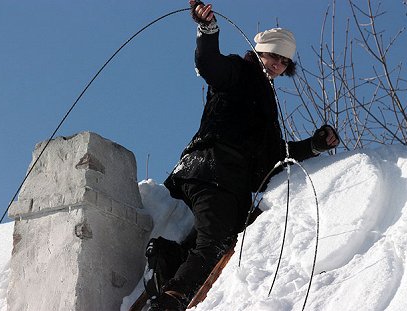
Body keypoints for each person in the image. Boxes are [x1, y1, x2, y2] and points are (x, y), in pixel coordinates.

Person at [145, 1, 340, 310]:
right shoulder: (239, 71)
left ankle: (167, 258)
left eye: (284, 60)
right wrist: (208, 29)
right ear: (260, 51)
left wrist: (314, 145)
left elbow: (274, 156)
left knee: (207, 242)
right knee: (215, 241)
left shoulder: (265, 101)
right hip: (213, 169)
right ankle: (171, 300)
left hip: (230, 184)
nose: (278, 63)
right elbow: (209, 64)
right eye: (273, 55)